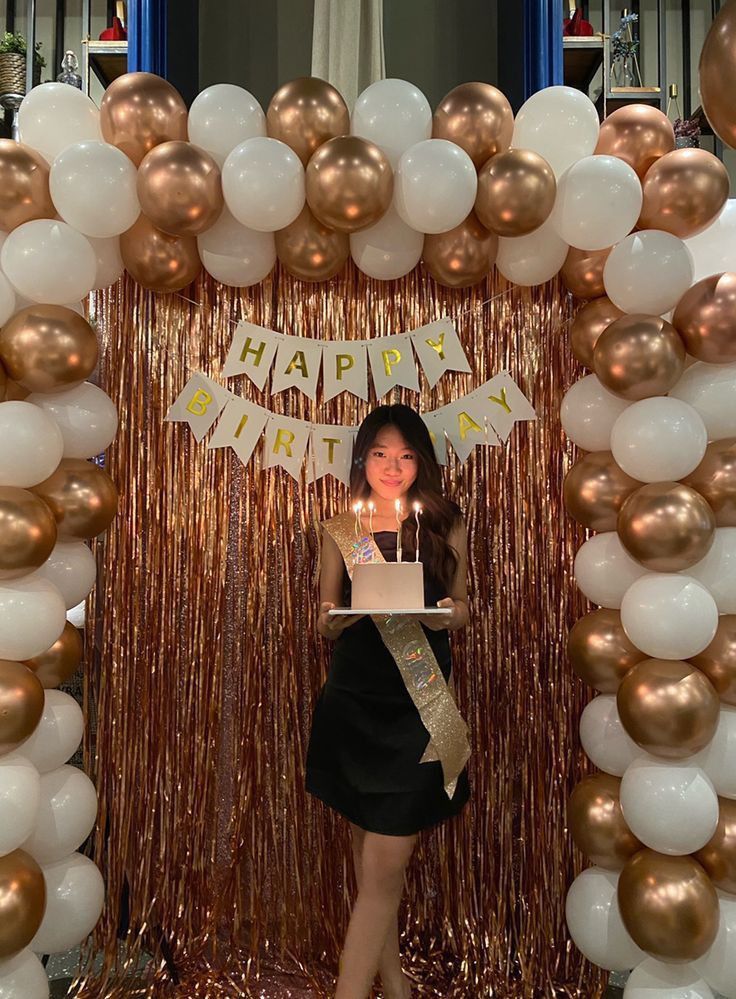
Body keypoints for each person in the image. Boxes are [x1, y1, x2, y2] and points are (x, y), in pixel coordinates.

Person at [305, 403, 472, 999]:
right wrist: (338, 621)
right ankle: (395, 980)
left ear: (420, 460)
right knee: (371, 862)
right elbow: (323, 618)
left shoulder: (444, 522)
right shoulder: (339, 528)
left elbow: (463, 604)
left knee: (385, 866)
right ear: (363, 459)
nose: (392, 466)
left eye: (405, 455)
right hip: (355, 703)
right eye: (380, 454)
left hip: (419, 708)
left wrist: (445, 616)